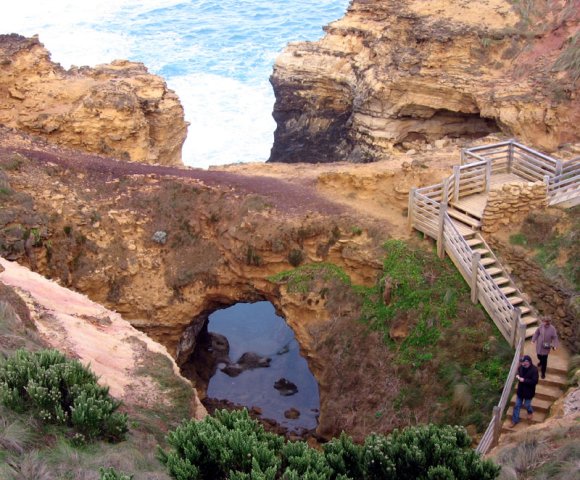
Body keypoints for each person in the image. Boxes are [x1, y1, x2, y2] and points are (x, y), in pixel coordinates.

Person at [510, 355, 538, 427]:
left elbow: (535, 381)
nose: (522, 364)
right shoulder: (521, 368)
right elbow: (518, 373)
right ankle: (514, 420)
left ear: (528, 362)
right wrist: (517, 376)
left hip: (529, 392)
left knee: (527, 404)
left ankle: (530, 411)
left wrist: (524, 380)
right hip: (520, 391)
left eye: (523, 362)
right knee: (517, 405)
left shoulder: (534, 370)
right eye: (521, 362)